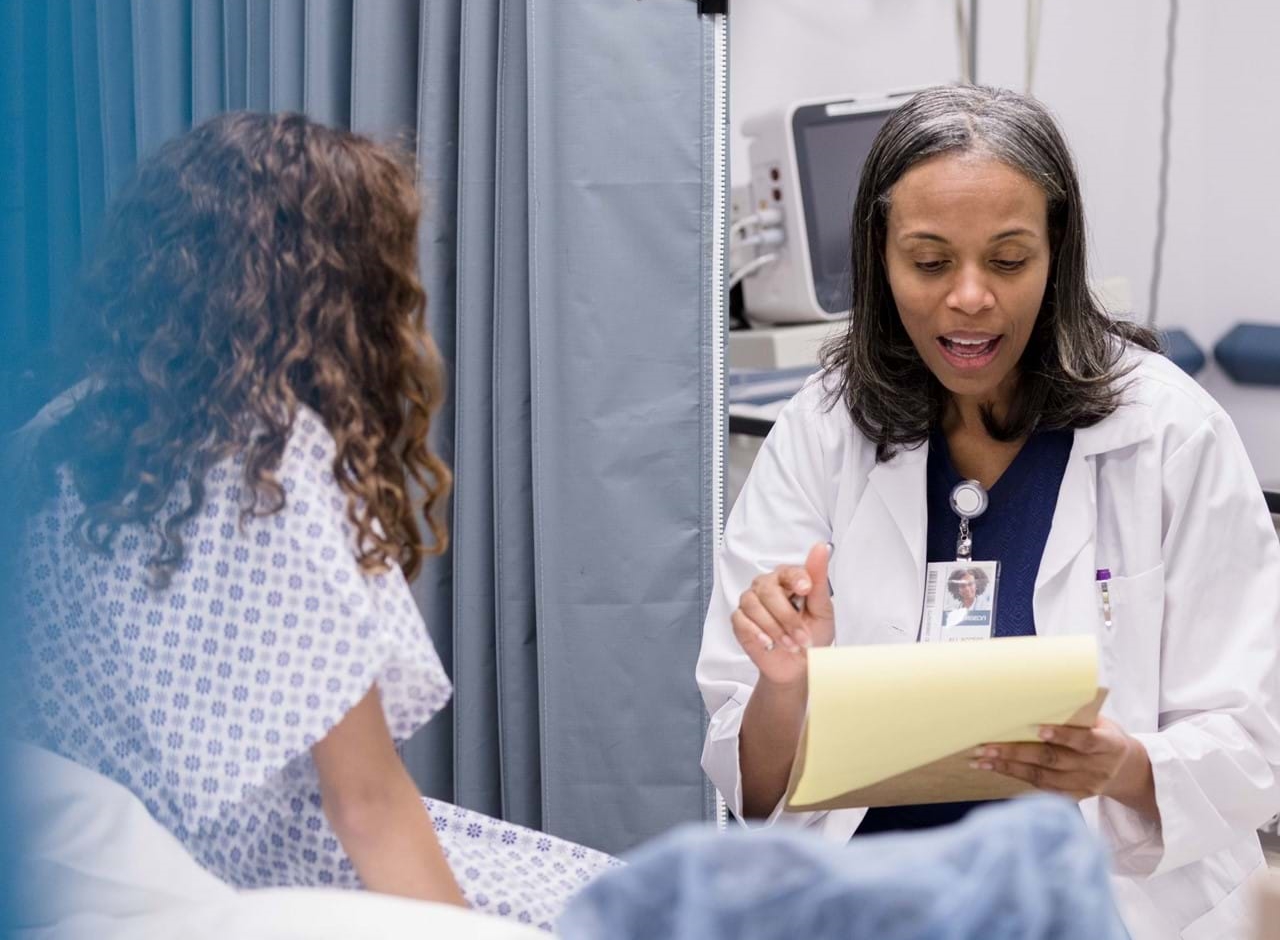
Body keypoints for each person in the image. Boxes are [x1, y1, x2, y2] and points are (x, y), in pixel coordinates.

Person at [696, 85, 1280, 940]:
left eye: (1008, 260)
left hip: (1103, 902)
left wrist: (1123, 766)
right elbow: (748, 784)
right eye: (929, 262)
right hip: (868, 899)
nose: (969, 297)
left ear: (1058, 253)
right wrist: (783, 689)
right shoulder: (821, 431)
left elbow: (1252, 737)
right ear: (879, 257)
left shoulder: (1170, 434)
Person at [13, 111, 614, 930]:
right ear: (334, 290)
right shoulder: (266, 459)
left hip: (137, 874)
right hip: (278, 879)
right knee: (655, 906)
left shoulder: (50, 443)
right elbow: (363, 802)